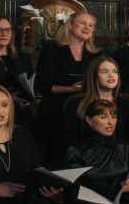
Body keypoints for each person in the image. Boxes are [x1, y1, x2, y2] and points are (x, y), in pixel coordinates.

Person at [35, 10, 101, 165]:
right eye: (83, 23)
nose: (87, 28)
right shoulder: (51, 49)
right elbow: (42, 85)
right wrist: (71, 89)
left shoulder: (96, 54)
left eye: (91, 25)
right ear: (71, 25)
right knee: (54, 159)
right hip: (54, 112)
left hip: (83, 111)